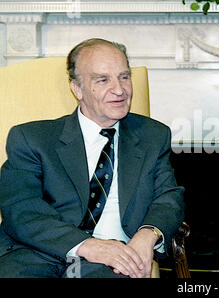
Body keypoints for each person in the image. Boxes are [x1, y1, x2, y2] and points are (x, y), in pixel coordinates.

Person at [0, 38, 184, 278]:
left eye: (124, 77)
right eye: (103, 79)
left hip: (114, 261)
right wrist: (88, 246)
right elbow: (21, 209)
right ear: (77, 89)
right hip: (35, 254)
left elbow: (169, 197)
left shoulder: (152, 135)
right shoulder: (32, 138)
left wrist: (148, 234)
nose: (119, 90)